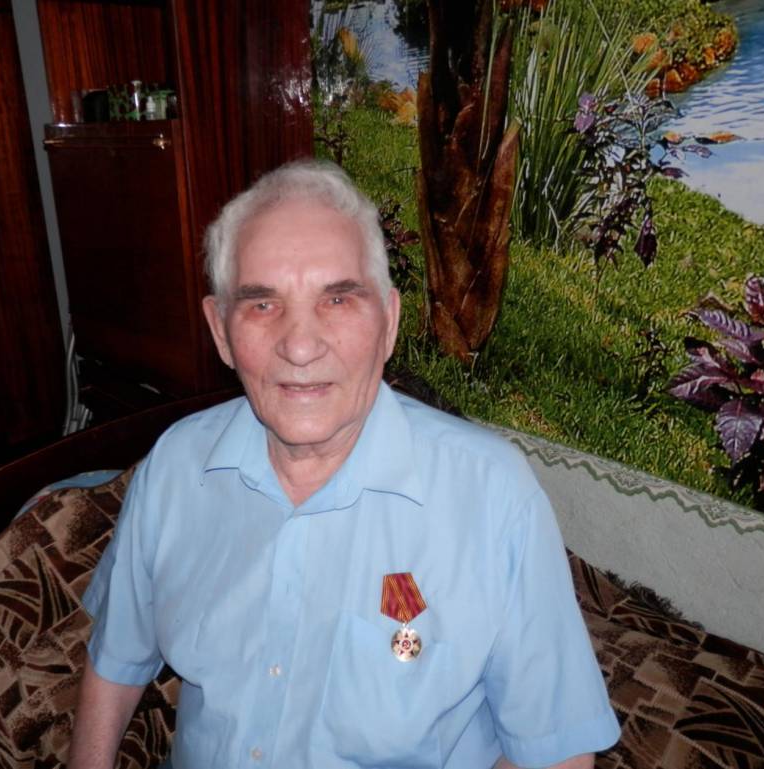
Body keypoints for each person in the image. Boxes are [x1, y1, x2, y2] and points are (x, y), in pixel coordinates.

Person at [69, 159, 620, 769]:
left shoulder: (493, 496)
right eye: (262, 304)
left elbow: (558, 754)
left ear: (389, 322)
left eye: (337, 298)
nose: (301, 346)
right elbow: (115, 660)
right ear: (220, 331)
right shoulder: (174, 466)